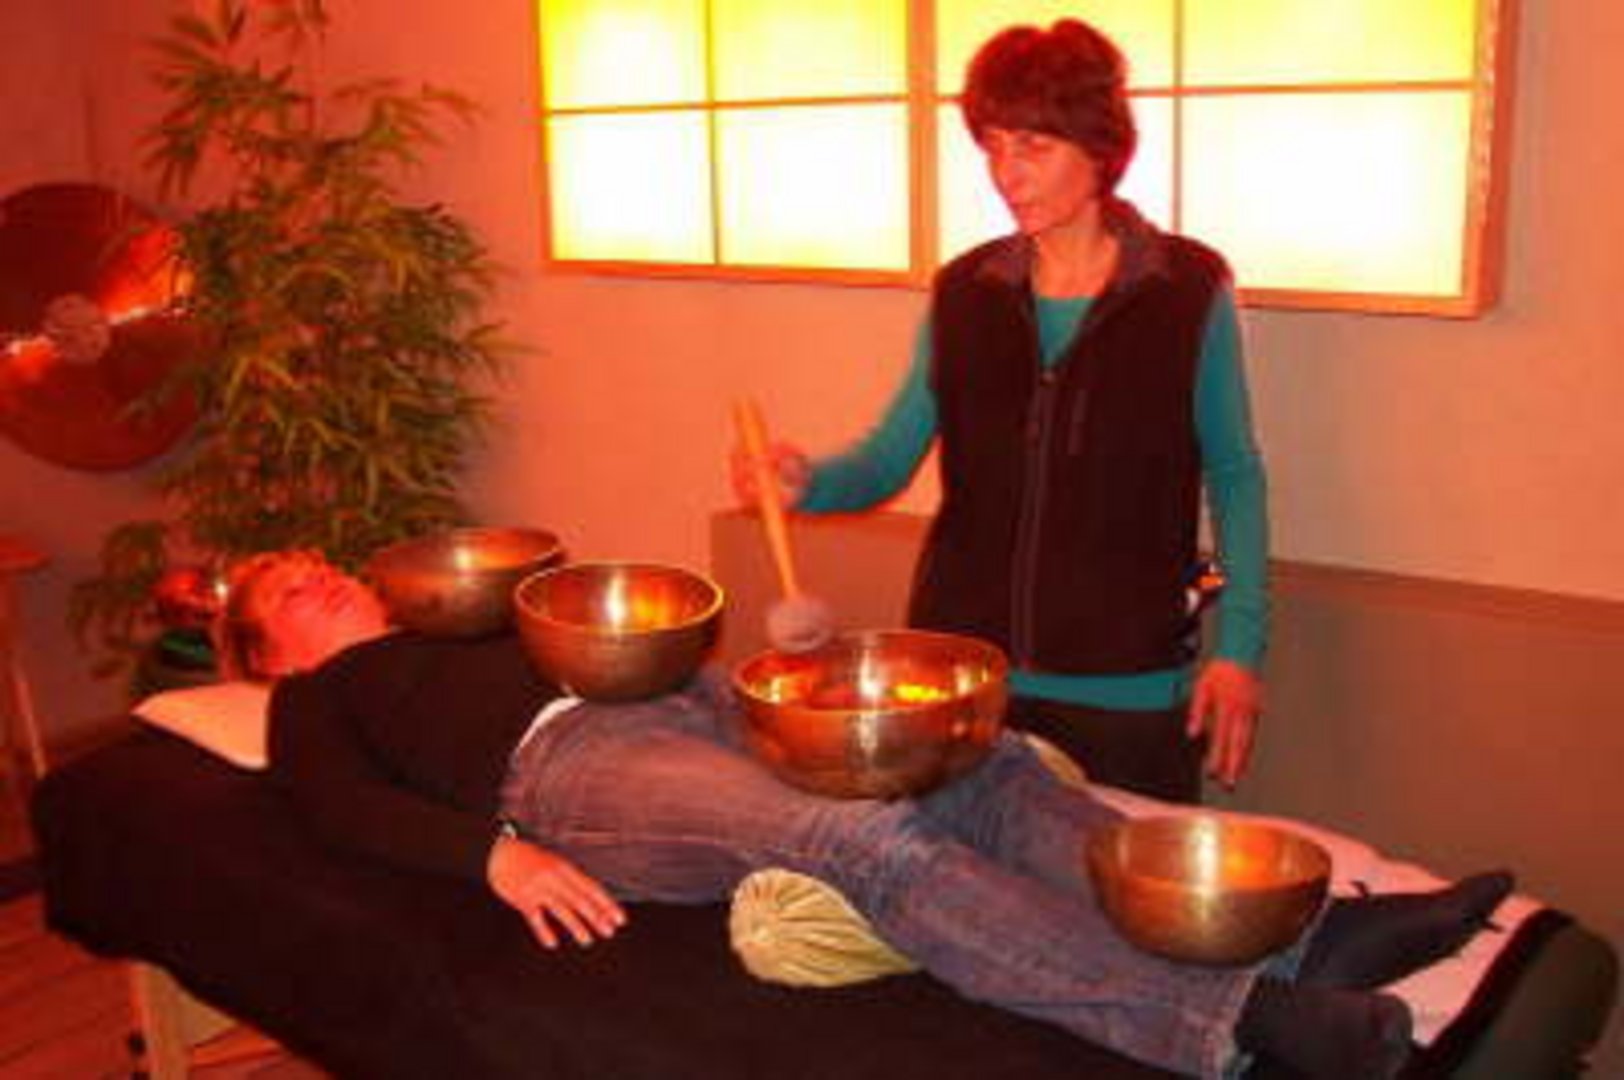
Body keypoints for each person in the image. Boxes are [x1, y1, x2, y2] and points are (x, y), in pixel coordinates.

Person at [221, 549, 1513, 1080]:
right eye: (282, 590)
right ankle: (1228, 1021)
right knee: (852, 837)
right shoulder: (319, 703)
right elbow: (335, 812)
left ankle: (1307, 940)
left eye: (312, 562)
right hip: (570, 774)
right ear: (266, 658)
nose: (309, 576)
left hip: (678, 694)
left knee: (967, 759)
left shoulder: (469, 605)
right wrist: (491, 856)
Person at [731, 19, 1266, 804]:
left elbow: (1235, 473)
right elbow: (888, 456)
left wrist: (1240, 649)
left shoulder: (1186, 290)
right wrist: (802, 482)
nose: (1007, 174)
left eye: (1033, 147)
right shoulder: (965, 292)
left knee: (1113, 879)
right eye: (993, 147)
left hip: (1127, 684)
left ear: (1099, 146)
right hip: (959, 682)